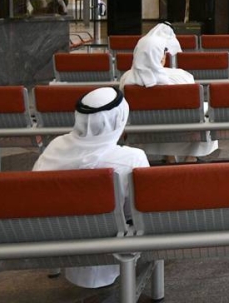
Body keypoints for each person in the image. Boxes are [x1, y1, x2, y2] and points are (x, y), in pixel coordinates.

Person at [33, 87, 149, 289]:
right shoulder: (132, 158)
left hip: (54, 238)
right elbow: (141, 211)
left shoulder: (54, 148)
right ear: (119, 120)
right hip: (112, 240)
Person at [119, 22, 218, 161]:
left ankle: (169, 156)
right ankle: (190, 157)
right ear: (161, 57)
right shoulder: (181, 76)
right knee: (204, 112)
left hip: (144, 130)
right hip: (182, 129)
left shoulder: (127, 79)